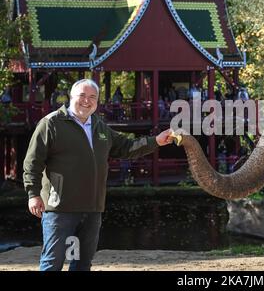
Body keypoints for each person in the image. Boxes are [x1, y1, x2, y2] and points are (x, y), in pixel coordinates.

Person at [23, 79, 176, 271]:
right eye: (82, 96)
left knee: (81, 262)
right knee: (53, 262)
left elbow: (127, 147)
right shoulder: (51, 123)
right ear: (71, 97)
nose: (86, 101)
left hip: (92, 208)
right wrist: (33, 194)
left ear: (97, 102)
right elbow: (32, 162)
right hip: (60, 208)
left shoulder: (100, 126)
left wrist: (156, 141)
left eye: (92, 97)